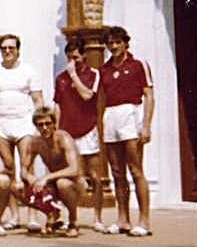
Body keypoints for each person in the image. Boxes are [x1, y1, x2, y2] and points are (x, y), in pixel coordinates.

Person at [0, 34, 42, 230]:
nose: (7, 51)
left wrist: (38, 127)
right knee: (8, 170)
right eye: (4, 48)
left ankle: (32, 215)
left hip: (24, 124)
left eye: (11, 48)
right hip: (1, 126)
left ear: (18, 50)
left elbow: (38, 100)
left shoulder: (29, 71)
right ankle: (14, 216)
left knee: (27, 169)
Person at [101, 26, 154, 237]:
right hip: (111, 116)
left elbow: (149, 95)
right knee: (117, 172)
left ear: (125, 43)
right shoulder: (104, 70)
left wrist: (146, 125)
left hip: (131, 115)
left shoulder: (138, 65)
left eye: (117, 42)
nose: (114, 46)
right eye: (110, 43)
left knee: (136, 169)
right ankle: (123, 219)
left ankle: (144, 221)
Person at [53, 40, 104, 231]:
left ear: (84, 56)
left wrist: (74, 75)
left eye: (75, 57)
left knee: (95, 176)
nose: (72, 61)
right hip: (67, 134)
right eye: (69, 58)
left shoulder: (94, 74)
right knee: (72, 177)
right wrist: (56, 131)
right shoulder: (60, 78)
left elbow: (87, 95)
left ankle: (97, 218)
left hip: (88, 131)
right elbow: (57, 104)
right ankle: (71, 217)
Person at [18, 106, 82, 237]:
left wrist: (46, 178)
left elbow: (74, 169)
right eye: (40, 125)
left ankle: (73, 221)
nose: (45, 127)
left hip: (74, 183)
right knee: (17, 187)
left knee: (62, 183)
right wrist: (31, 179)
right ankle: (52, 213)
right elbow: (23, 170)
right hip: (52, 182)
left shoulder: (63, 138)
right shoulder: (36, 142)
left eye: (48, 123)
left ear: (54, 124)